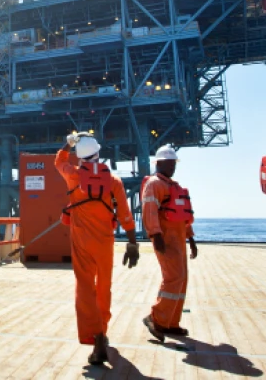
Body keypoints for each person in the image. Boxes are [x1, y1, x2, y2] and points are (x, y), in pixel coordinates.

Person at [55, 132, 139, 366]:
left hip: (81, 241)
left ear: (80, 157)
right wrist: (132, 242)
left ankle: (95, 337)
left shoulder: (72, 175)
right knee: (104, 287)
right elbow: (125, 214)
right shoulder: (113, 181)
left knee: (85, 288)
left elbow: (59, 162)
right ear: (99, 154)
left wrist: (68, 143)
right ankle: (102, 331)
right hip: (105, 242)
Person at [140, 144, 197, 342]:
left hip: (178, 240)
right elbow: (149, 211)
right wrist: (155, 236)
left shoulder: (173, 186)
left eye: (174, 163)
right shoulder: (154, 184)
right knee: (173, 278)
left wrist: (191, 238)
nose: (173, 167)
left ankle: (170, 322)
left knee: (181, 279)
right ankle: (156, 318)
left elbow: (182, 217)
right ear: (159, 163)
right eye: (169, 163)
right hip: (165, 239)